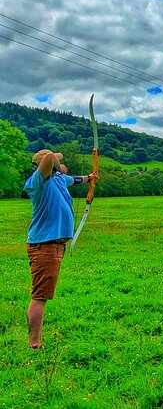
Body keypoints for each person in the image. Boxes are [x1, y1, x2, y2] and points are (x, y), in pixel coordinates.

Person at [24, 149, 97, 349]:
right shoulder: (37, 182)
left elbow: (75, 179)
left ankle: (35, 341)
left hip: (54, 246)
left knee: (43, 294)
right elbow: (47, 160)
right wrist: (55, 161)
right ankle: (34, 344)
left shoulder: (59, 180)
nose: (62, 165)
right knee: (40, 296)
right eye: (59, 163)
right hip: (44, 246)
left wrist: (90, 177)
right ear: (52, 166)